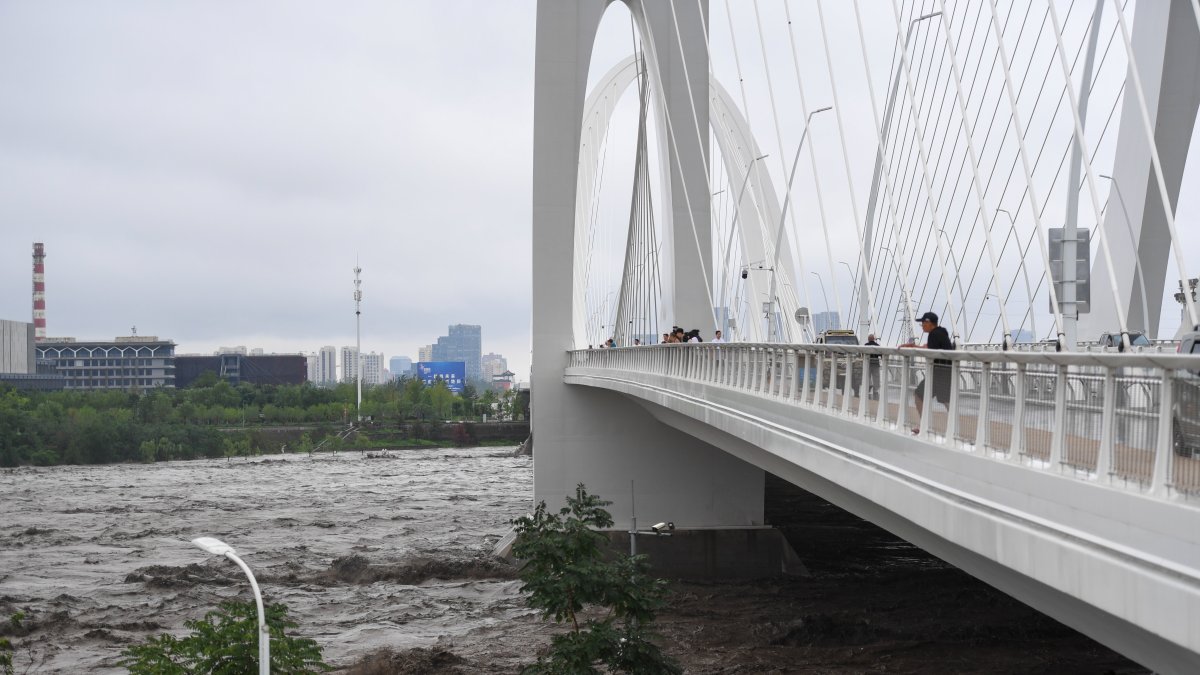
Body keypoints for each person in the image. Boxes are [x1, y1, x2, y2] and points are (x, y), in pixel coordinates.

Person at [900, 312, 954, 433]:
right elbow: (932, 348)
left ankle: (925, 426)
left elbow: (929, 352)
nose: (922, 326)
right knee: (946, 400)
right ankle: (954, 427)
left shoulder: (934, 334)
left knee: (919, 395)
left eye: (923, 323)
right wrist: (915, 346)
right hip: (946, 371)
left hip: (938, 372)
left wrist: (913, 347)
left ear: (929, 323)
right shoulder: (941, 332)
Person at [865, 333, 880, 399]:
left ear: (868, 339)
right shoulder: (877, 345)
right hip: (876, 363)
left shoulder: (866, 345)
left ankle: (869, 385)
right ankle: (876, 390)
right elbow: (880, 354)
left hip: (868, 363)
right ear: (874, 339)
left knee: (867, 376)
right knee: (876, 377)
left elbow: (863, 353)